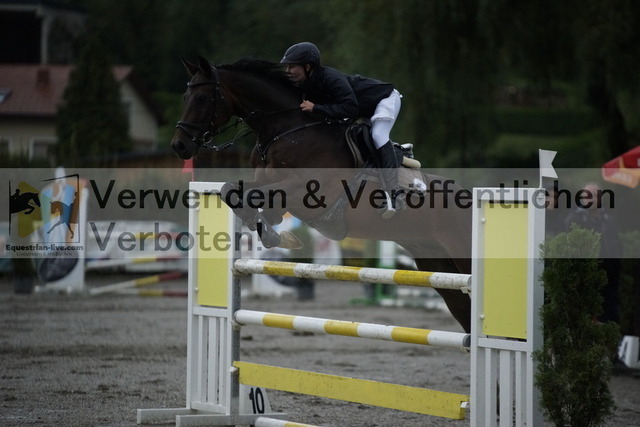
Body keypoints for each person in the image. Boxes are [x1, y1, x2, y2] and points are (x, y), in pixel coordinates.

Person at [280, 42, 404, 218]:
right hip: (361, 108)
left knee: (378, 134)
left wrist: (316, 108)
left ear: (307, 67)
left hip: (384, 99)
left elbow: (350, 108)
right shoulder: (305, 84)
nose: (288, 71)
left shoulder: (330, 77)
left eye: (292, 66)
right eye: (287, 66)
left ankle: (394, 194)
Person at [564, 183, 622, 324]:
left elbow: (616, 241)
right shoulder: (573, 219)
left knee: (610, 313)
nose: (592, 199)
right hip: (588, 274)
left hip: (610, 274)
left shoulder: (607, 218)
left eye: (596, 195)